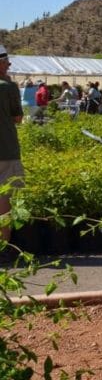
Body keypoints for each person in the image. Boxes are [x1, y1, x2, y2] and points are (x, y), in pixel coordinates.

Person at [0, 46, 23, 240]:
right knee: (4, 195)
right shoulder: (8, 87)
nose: (9, 65)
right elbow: (18, 118)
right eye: (6, 62)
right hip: (5, 148)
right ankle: (3, 243)